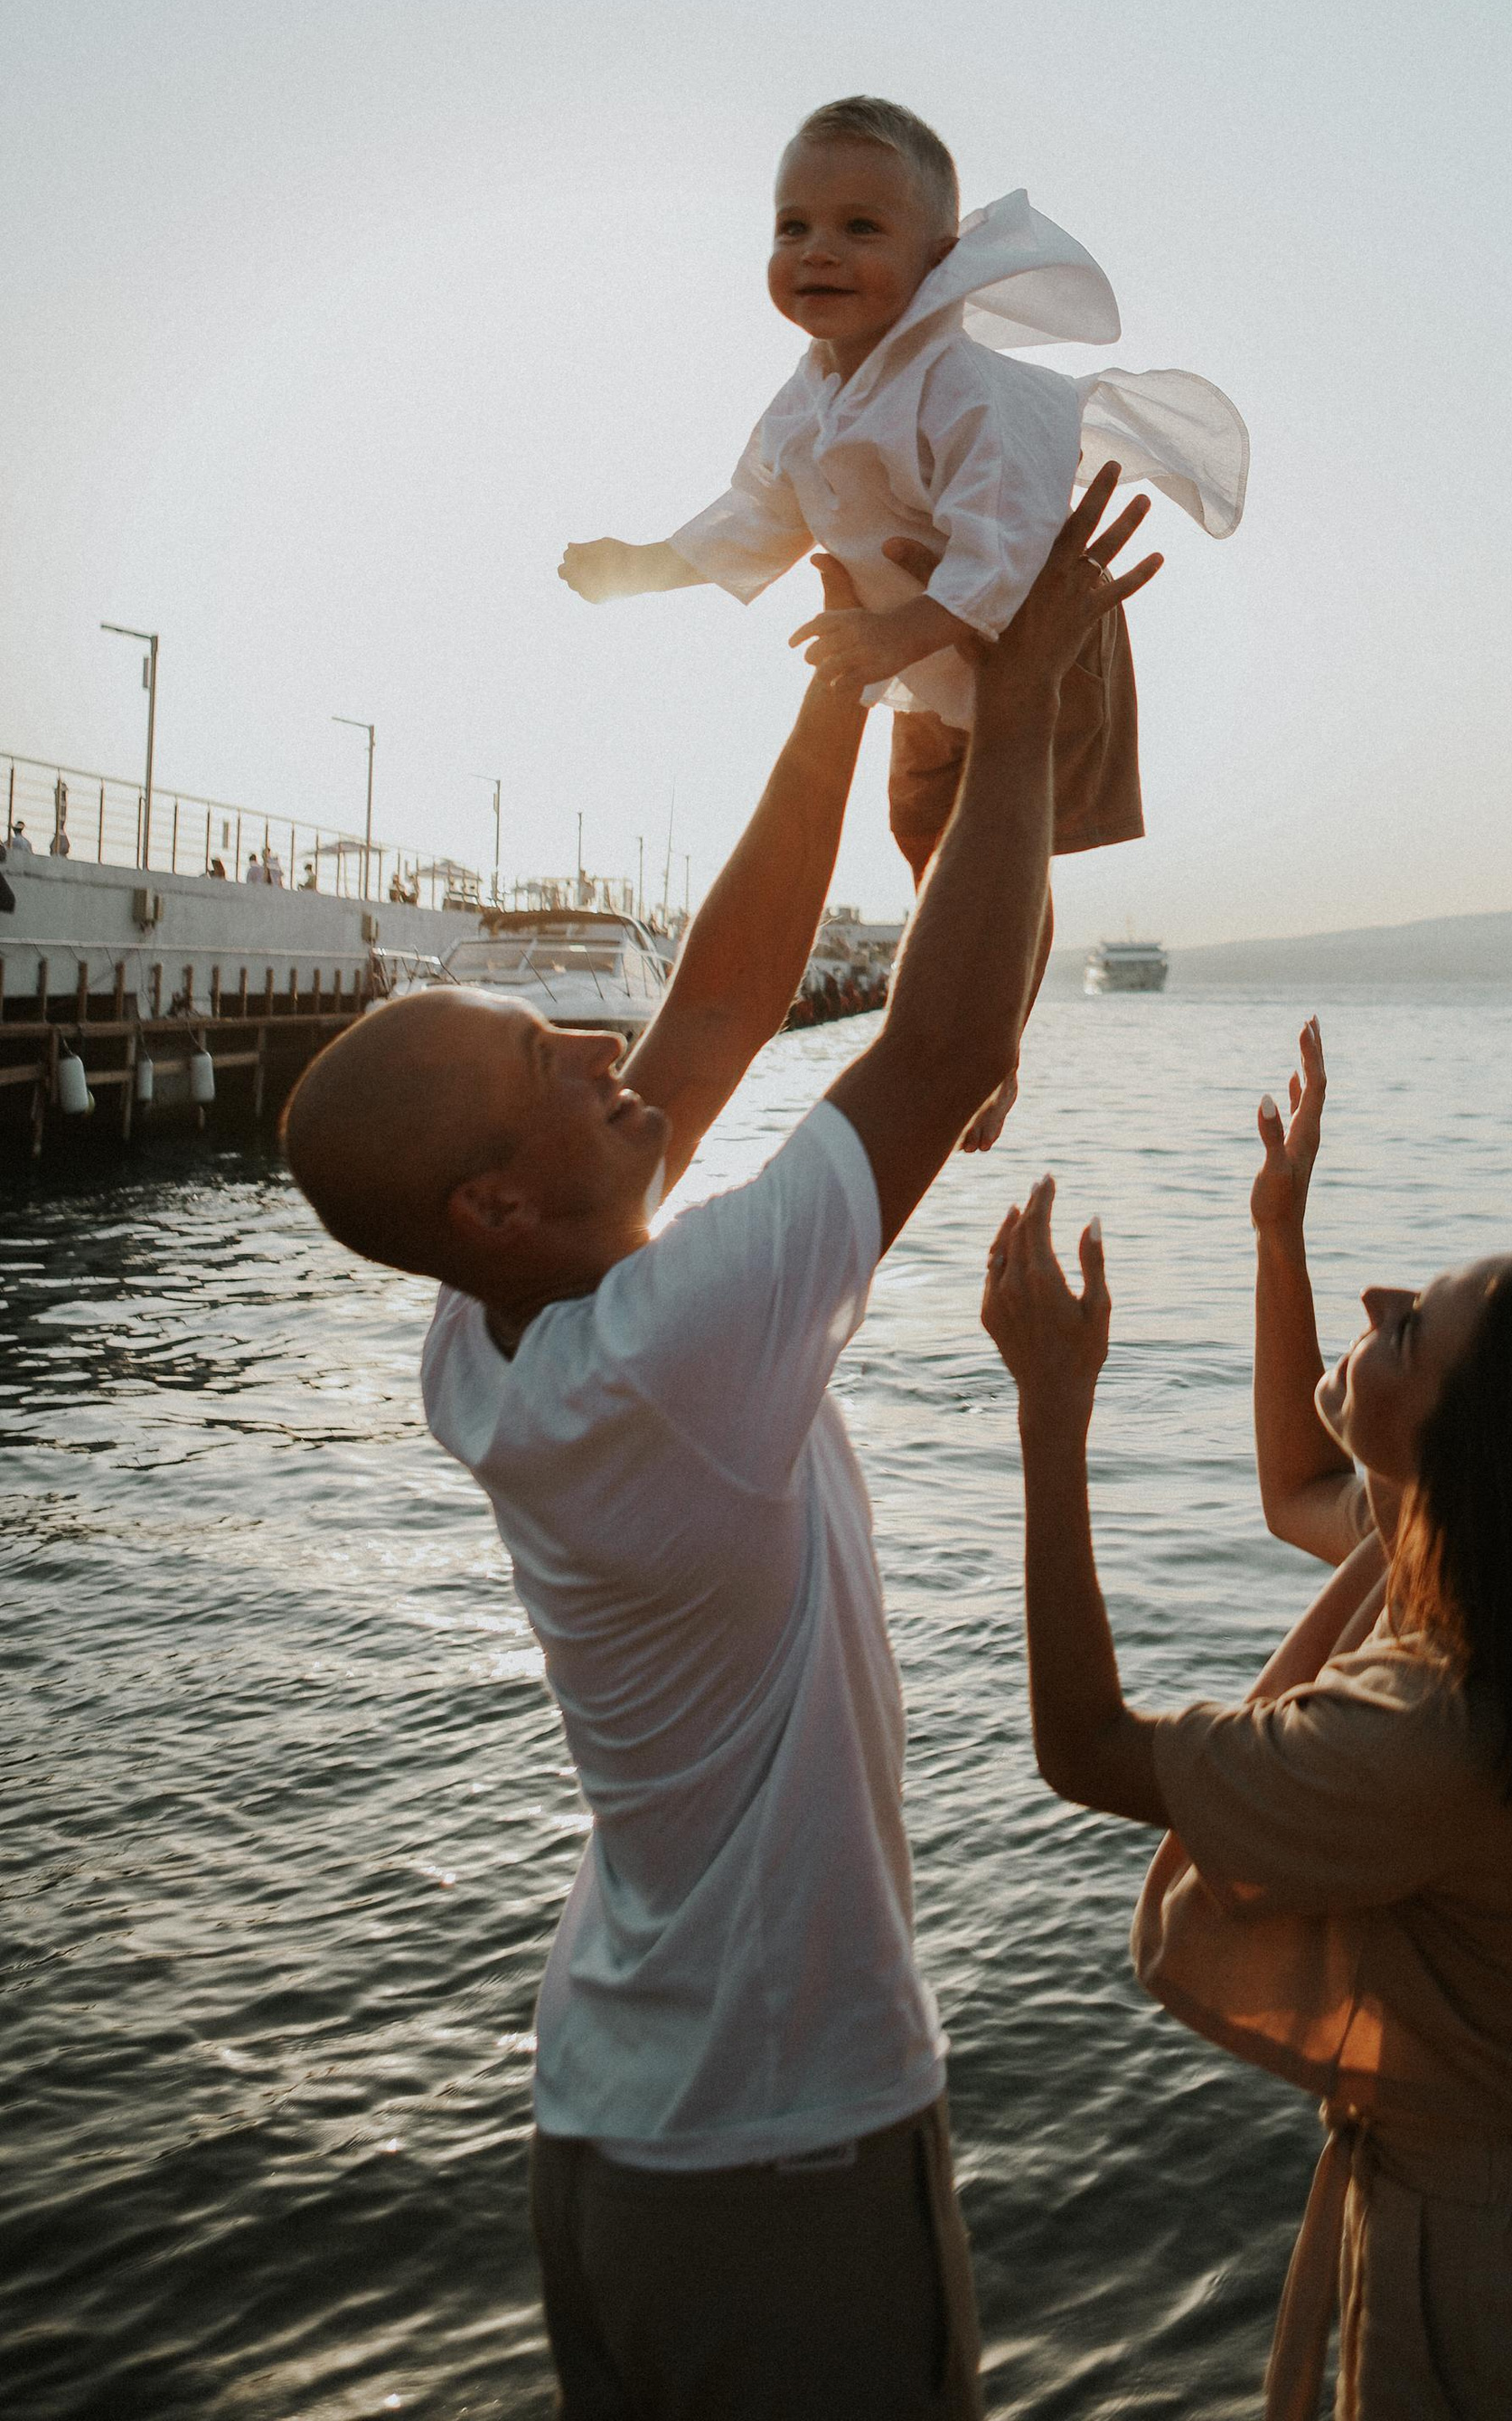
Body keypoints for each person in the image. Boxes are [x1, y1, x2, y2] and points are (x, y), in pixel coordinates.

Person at [283, 473, 1160, 2421]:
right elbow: (937, 1053)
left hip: (612, 2145)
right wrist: (1017, 705)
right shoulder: (667, 1353)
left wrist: (841, 685)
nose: (607, 1052)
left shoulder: (490, 1333)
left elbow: (727, 997)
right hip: (782, 2162)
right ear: (496, 1200)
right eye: (549, 1063)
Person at [980, 1021, 1512, 2419]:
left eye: (1408, 1327)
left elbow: (1085, 1748)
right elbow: (1293, 1487)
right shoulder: (1498, 1598)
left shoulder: (1434, 1732)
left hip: (1499, 2302)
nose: (1379, 1295)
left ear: (1463, 1470)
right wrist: (1280, 1236)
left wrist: (1051, 1420)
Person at [559, 92, 1246, 1145]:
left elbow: (1009, 538)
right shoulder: (806, 399)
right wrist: (645, 566)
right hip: (922, 666)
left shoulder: (967, 384)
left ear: (938, 261)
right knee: (929, 844)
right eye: (792, 226)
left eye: (860, 227)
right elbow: (758, 514)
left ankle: (990, 1053)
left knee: (1001, 852)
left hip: (1033, 643)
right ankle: (955, 1021)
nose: (816, 251)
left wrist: (903, 630)